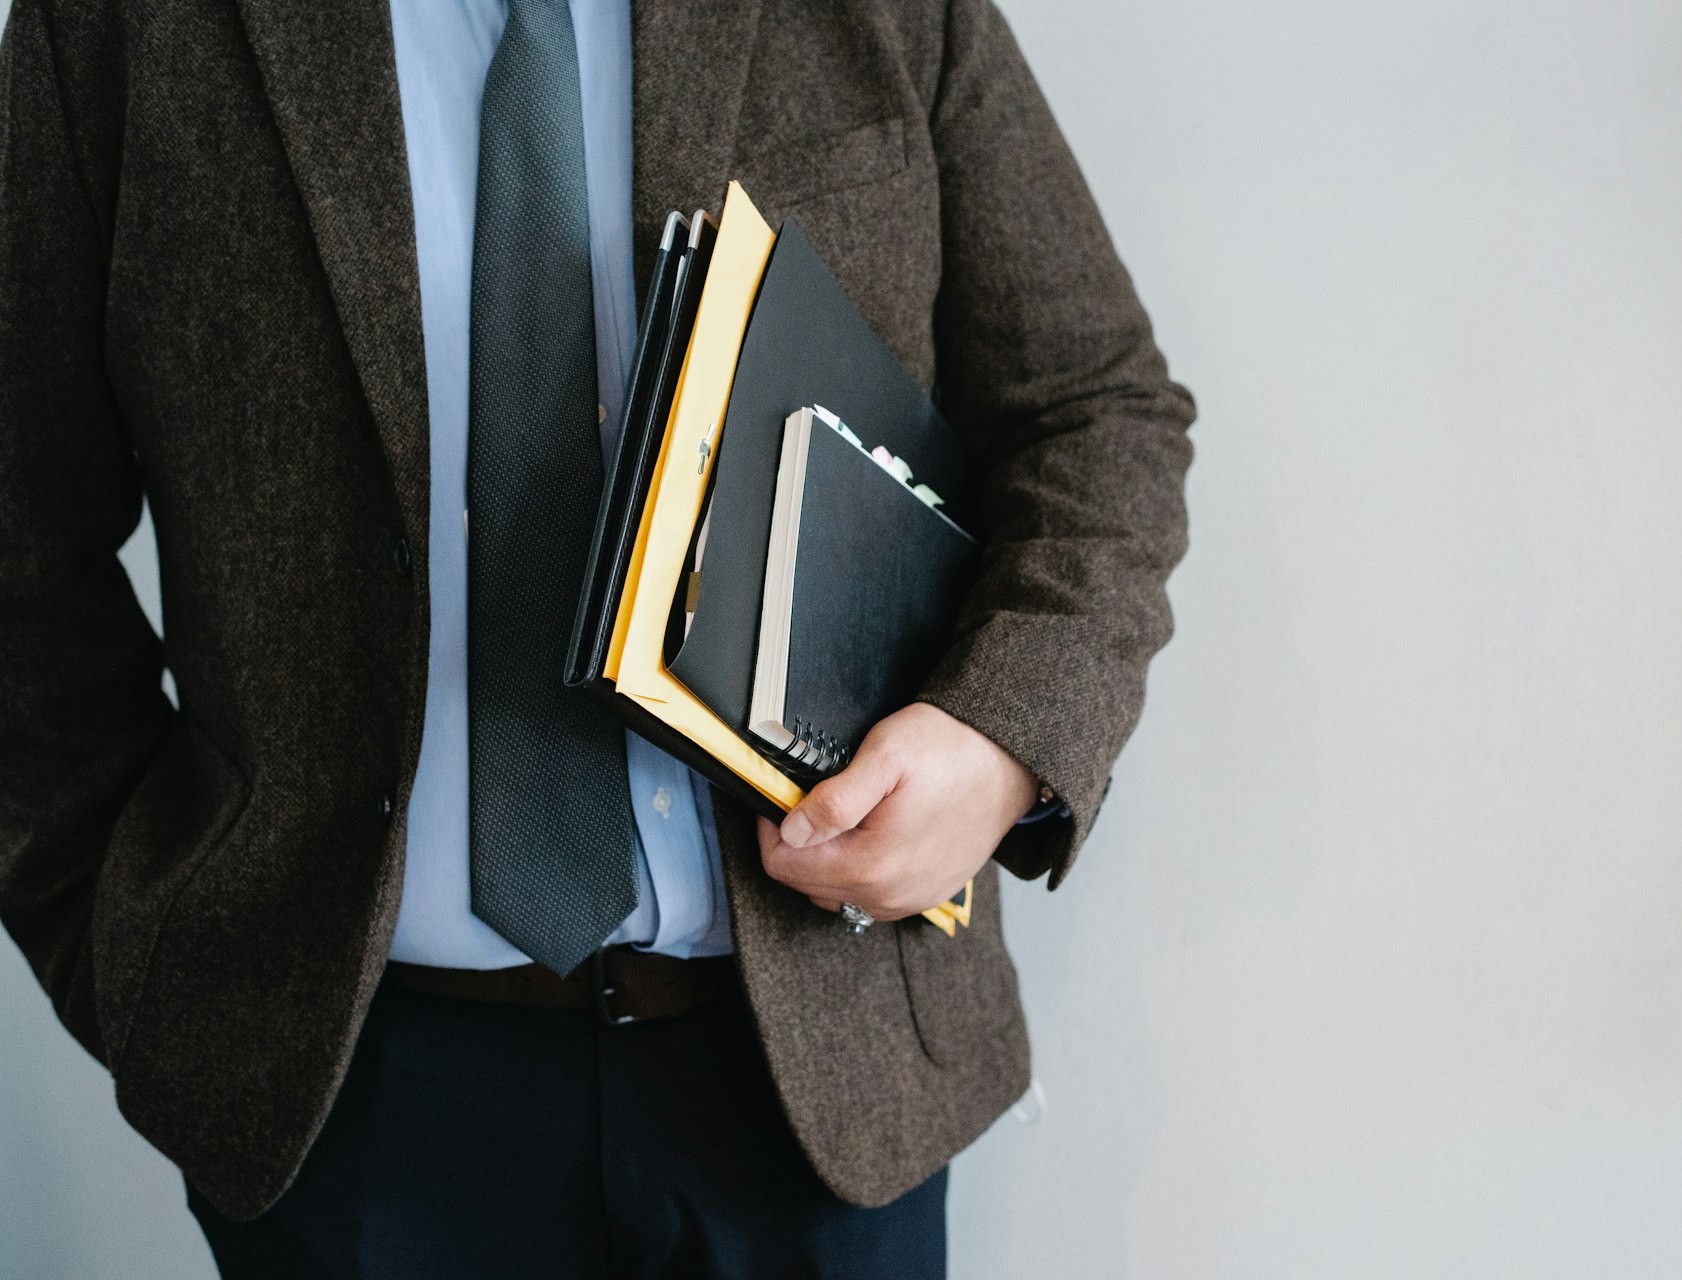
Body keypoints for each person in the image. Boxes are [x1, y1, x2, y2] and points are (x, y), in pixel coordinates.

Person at [0, 0, 1193, 1273]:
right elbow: (21, 529)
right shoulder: (119, 25)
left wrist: (1005, 736)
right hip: (347, 1105)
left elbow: (1092, 407)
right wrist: (134, 960)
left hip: (822, 1069)